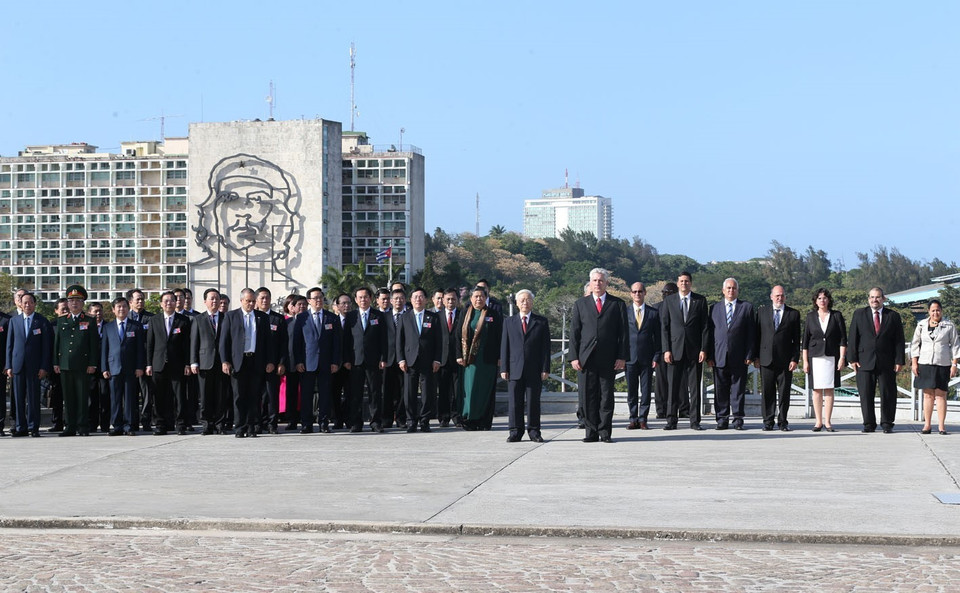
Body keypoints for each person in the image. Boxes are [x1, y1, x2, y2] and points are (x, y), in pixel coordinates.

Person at [570, 268, 629, 443]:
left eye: (601, 280)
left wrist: (622, 356)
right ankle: (591, 432)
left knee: (606, 396)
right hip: (586, 358)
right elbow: (574, 333)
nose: (597, 283)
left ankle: (605, 432)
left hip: (608, 357)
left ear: (607, 283)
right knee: (588, 396)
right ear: (590, 282)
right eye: (595, 280)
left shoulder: (617, 304)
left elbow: (623, 333)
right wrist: (574, 357)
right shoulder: (580, 304)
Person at [848, 287, 905, 434]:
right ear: (868, 299)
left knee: (888, 394)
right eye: (872, 297)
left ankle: (887, 423)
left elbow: (899, 340)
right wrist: (852, 359)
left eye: (878, 297)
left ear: (883, 299)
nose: (875, 300)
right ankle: (869, 424)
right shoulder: (859, 314)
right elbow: (853, 337)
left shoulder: (893, 316)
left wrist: (899, 360)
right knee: (866, 394)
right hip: (864, 361)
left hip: (887, 361)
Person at [220, 288, 276, 438]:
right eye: (247, 301)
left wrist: (270, 361)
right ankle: (240, 427)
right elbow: (224, 341)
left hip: (256, 361)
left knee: (255, 395)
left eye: (253, 301)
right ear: (241, 301)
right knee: (239, 396)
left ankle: (252, 427)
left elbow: (268, 342)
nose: (250, 304)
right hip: (238, 361)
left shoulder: (262, 317)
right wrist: (225, 361)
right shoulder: (231, 316)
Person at [660, 271, 710, 431]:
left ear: (691, 283)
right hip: (674, 350)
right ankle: (671, 420)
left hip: (694, 351)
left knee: (694, 389)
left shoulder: (700, 300)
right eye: (681, 281)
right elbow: (664, 327)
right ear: (677, 283)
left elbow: (705, 327)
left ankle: (695, 421)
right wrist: (666, 349)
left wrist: (704, 349)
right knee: (672, 388)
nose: (684, 284)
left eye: (687, 281)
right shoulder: (669, 301)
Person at [500, 289, 550, 442]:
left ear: (532, 302)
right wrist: (504, 368)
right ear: (516, 303)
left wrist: (545, 368)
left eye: (528, 299)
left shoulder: (541, 322)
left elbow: (545, 348)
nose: (525, 302)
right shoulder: (509, 322)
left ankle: (534, 431)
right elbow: (504, 346)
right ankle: (515, 431)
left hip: (534, 369)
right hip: (514, 368)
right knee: (515, 402)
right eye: (522, 300)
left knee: (533, 402)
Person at [707, 278, 756, 430]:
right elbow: (710, 334)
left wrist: (749, 354)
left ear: (737, 290)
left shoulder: (746, 307)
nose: (731, 290)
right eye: (728, 288)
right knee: (720, 389)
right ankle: (722, 419)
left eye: (734, 288)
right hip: (719, 356)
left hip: (739, 356)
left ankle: (738, 419)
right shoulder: (714, 308)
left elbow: (751, 334)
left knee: (738, 390)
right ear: (723, 290)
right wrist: (709, 356)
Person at [292, 286, 341, 433]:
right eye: (315, 298)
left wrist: (335, 361)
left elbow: (337, 342)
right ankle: (306, 424)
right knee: (306, 394)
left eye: (321, 297)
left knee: (325, 394)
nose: (319, 300)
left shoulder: (332, 317)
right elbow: (297, 342)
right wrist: (298, 361)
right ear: (309, 301)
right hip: (307, 362)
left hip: (326, 362)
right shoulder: (302, 318)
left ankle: (324, 423)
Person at [53, 285, 100, 437]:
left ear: (83, 303)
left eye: (78, 300)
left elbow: (94, 344)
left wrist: (92, 363)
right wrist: (56, 362)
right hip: (65, 364)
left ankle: (83, 426)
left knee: (82, 397)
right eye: (71, 300)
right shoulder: (62, 320)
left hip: (83, 365)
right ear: (67, 303)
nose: (74, 303)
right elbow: (57, 343)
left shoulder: (89, 320)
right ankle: (70, 426)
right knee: (68, 397)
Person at [5, 292, 52, 437]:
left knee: (33, 398)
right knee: (18, 399)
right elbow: (9, 345)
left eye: (30, 302)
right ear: (20, 304)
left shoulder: (42, 321)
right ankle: (21, 427)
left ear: (34, 304)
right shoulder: (14, 321)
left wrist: (44, 367)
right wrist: (8, 365)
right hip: (17, 365)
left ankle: (34, 427)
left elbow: (46, 347)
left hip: (35, 366)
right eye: (24, 302)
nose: (27, 305)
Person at [145, 291, 192, 435]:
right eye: (165, 301)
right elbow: (150, 344)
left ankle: (180, 424)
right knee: (159, 396)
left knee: (179, 397)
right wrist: (149, 364)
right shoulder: (154, 320)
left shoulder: (183, 320)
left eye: (172, 300)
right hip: (158, 364)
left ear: (176, 302)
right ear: (161, 304)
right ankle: (160, 424)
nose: (168, 303)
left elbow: (187, 345)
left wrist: (187, 363)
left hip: (177, 364)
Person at [755, 285, 801, 431]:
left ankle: (783, 421)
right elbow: (757, 336)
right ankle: (768, 421)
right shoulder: (762, 312)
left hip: (785, 361)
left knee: (784, 393)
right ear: (771, 297)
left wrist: (795, 359)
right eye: (777, 295)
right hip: (766, 359)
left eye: (782, 295)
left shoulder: (793, 314)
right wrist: (756, 357)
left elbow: (796, 339)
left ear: (785, 297)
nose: (779, 298)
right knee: (767, 392)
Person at [457, 285, 503, 431]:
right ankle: (469, 418)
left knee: (485, 390)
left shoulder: (493, 314)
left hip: (488, 360)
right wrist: (459, 355)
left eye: (482, 296)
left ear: (486, 298)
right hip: (470, 360)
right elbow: (458, 335)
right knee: (470, 390)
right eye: (476, 296)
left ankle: (484, 420)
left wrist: (500, 356)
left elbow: (500, 337)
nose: (479, 299)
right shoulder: (465, 313)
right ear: (471, 298)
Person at [342, 287, 388, 432]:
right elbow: (346, 340)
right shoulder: (350, 317)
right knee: (355, 393)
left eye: (366, 297)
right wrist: (346, 359)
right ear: (356, 300)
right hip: (355, 361)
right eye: (360, 297)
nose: (363, 299)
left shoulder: (378, 316)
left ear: (371, 298)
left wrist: (383, 358)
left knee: (375, 392)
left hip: (374, 361)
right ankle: (356, 422)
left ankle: (375, 422)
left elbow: (384, 339)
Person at [910, 299, 958, 435]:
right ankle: (927, 425)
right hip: (925, 363)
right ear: (928, 311)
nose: (935, 313)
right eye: (933, 310)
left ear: (941, 311)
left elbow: (955, 345)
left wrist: (954, 364)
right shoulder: (921, 325)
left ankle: (941, 426)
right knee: (928, 395)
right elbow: (915, 344)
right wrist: (914, 362)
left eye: (938, 310)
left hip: (942, 363)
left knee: (941, 395)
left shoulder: (949, 326)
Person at [801, 288, 847, 432]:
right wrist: (805, 361)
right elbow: (805, 341)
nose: (822, 301)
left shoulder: (836, 315)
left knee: (829, 389)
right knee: (816, 390)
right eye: (819, 298)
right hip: (815, 357)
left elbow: (843, 339)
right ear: (816, 301)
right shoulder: (810, 316)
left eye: (825, 298)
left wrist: (842, 358)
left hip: (832, 356)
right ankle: (818, 422)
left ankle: (828, 422)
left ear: (829, 300)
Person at [397, 288, 442, 432]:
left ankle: (424, 421)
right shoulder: (404, 317)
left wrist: (437, 359)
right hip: (409, 361)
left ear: (426, 300)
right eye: (415, 297)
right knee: (409, 393)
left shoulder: (433, 317)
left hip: (428, 361)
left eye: (421, 296)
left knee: (427, 393)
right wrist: (401, 359)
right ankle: (411, 421)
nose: (418, 299)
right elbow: (399, 341)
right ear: (411, 300)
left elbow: (439, 341)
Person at [101, 296, 146, 436]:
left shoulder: (136, 326)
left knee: (130, 399)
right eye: (118, 307)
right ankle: (117, 426)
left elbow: (140, 349)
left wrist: (140, 367)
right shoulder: (108, 327)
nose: (122, 309)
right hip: (113, 368)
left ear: (128, 308)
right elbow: (104, 349)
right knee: (115, 399)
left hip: (131, 368)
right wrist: (104, 368)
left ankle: (129, 426)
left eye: (124, 306)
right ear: (113, 310)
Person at [625, 282, 660, 430]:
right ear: (631, 294)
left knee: (645, 391)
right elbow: (621, 336)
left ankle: (643, 419)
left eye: (640, 291)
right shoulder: (625, 312)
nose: (637, 294)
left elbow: (658, 337)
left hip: (647, 358)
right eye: (634, 291)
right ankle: (633, 418)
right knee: (631, 391)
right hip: (630, 357)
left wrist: (656, 356)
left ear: (645, 293)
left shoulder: (653, 313)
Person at [190, 288, 225, 435]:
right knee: (205, 396)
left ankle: (220, 424)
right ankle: (206, 424)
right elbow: (194, 341)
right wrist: (193, 361)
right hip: (204, 362)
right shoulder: (198, 319)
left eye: (217, 298)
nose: (215, 301)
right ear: (205, 301)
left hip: (222, 363)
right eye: (212, 298)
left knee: (220, 395)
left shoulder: (226, 317)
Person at [256, 286, 288, 434]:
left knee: (272, 395)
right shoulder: (252, 317)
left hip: (273, 364)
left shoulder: (278, 319)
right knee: (257, 395)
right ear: (257, 300)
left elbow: (284, 343)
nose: (265, 300)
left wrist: (281, 362)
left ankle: (272, 423)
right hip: (255, 364)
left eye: (267, 297)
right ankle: (258, 423)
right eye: (262, 298)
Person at [127, 288, 154, 432]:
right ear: (130, 302)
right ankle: (132, 421)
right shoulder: (125, 318)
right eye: (138, 299)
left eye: (142, 299)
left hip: (145, 361)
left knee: (147, 393)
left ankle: (146, 420)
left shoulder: (151, 318)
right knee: (131, 393)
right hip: (129, 362)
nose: (141, 301)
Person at [437, 288, 463, 427]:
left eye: (453, 299)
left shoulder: (462, 315)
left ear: (457, 300)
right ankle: (443, 417)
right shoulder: (437, 316)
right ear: (443, 300)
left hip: (458, 358)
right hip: (441, 359)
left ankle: (457, 416)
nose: (450, 301)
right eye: (448, 299)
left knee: (457, 390)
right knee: (443, 390)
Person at [281, 294, 307, 430]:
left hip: (307, 362)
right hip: (291, 363)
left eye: (304, 304)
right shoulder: (287, 322)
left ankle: (305, 419)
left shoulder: (310, 321)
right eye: (299, 304)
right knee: (291, 393)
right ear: (293, 307)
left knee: (305, 393)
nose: (302, 307)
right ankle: (292, 420)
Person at [383, 288, 407, 428]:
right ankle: (386, 418)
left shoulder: (409, 316)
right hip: (388, 359)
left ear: (405, 300)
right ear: (391, 301)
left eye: (401, 298)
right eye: (396, 298)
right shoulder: (383, 317)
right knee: (387, 389)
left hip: (405, 359)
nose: (398, 301)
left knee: (403, 390)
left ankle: (401, 418)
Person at [653, 282, 678, 419]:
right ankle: (661, 409)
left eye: (669, 293)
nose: (666, 295)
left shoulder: (679, 306)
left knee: (679, 381)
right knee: (660, 381)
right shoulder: (656, 308)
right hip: (660, 349)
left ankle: (682, 408)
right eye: (664, 292)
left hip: (677, 348)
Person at [87, 301, 111, 433]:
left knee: (105, 396)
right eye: (95, 311)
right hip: (90, 368)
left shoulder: (109, 326)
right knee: (92, 397)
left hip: (105, 368)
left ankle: (105, 424)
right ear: (89, 313)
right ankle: (92, 423)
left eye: (100, 311)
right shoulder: (85, 326)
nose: (98, 314)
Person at [330, 293, 352, 429]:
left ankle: (348, 418)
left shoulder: (355, 319)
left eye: (348, 303)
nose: (346, 306)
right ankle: (337, 419)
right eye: (343, 303)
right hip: (335, 364)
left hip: (351, 364)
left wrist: (348, 360)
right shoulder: (332, 320)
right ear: (337, 306)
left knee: (351, 393)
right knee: (335, 393)